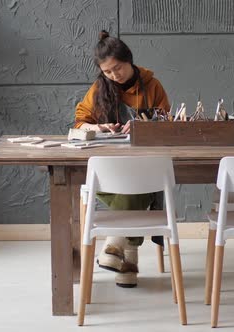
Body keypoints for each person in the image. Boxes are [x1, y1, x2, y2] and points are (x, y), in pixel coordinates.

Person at [74, 30, 170, 288]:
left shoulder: (152, 85)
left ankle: (116, 247)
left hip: (144, 166)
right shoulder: (99, 90)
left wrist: (144, 125)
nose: (114, 75)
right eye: (107, 72)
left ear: (130, 61)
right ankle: (125, 256)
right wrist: (98, 129)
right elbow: (80, 123)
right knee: (133, 186)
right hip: (109, 171)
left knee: (138, 182)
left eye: (118, 68)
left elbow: (167, 123)